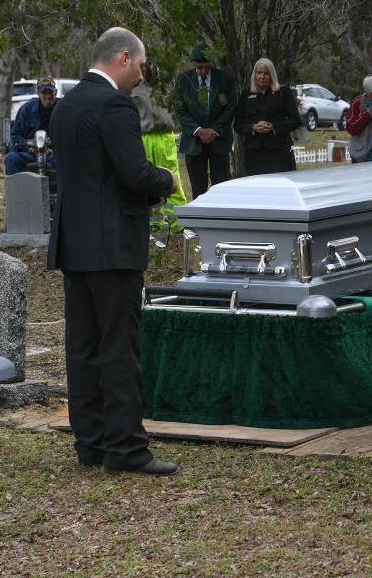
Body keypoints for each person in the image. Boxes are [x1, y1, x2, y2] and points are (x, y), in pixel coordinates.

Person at [48, 27, 178, 476]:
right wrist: (167, 181)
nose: (140, 76)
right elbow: (134, 173)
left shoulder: (65, 106)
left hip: (75, 244)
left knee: (83, 349)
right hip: (114, 247)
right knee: (120, 346)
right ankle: (126, 448)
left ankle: (92, 443)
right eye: (140, 66)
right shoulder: (114, 105)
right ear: (123, 58)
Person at [174, 44, 237, 199]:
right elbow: (180, 110)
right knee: (198, 190)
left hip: (219, 141)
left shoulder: (226, 79)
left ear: (211, 63)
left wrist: (214, 130)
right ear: (194, 64)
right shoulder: (183, 79)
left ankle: (221, 220)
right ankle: (199, 222)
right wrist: (198, 130)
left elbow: (230, 107)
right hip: (194, 143)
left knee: (221, 188)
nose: (203, 71)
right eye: (199, 68)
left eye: (207, 68)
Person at [132, 57, 187, 232]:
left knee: (172, 176)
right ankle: (152, 221)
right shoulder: (132, 86)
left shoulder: (166, 85)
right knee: (147, 177)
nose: (149, 72)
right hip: (144, 135)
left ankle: (179, 223)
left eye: (151, 68)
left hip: (165, 135)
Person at [233, 58, 300, 175]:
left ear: (272, 75)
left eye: (266, 73)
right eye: (259, 73)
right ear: (254, 74)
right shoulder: (246, 94)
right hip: (253, 151)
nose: (262, 77)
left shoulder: (283, 92)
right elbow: (238, 124)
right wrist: (253, 127)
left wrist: (274, 127)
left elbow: (295, 120)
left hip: (278, 149)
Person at [7, 76, 58, 175]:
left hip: (53, 154)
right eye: (44, 93)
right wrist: (29, 144)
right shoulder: (26, 110)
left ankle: (53, 185)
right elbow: (15, 136)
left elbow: (68, 135)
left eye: (50, 92)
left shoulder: (62, 108)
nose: (48, 96)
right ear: (38, 94)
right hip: (30, 153)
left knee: (68, 157)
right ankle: (16, 190)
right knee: (11, 158)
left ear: (55, 92)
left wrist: (51, 147)